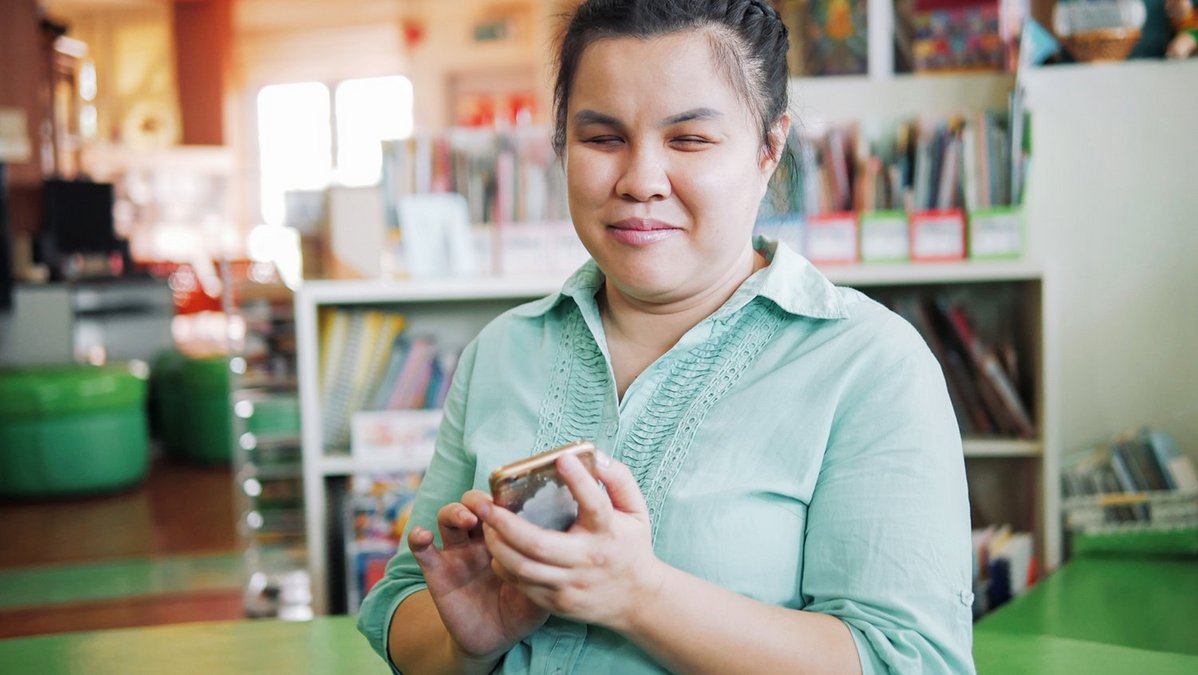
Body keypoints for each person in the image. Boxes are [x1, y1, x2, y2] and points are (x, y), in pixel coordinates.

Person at [358, 1, 975, 673]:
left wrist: (640, 594)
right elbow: (402, 603)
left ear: (769, 147)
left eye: (689, 140)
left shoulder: (871, 363)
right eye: (602, 138)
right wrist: (470, 639)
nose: (640, 181)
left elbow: (909, 658)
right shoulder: (503, 349)